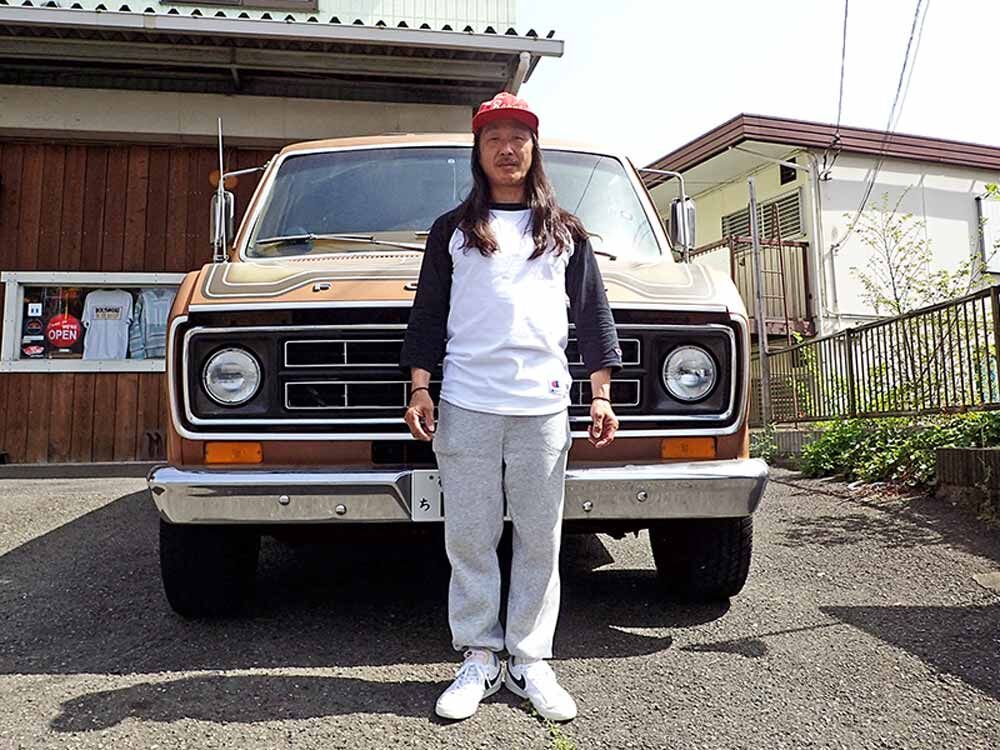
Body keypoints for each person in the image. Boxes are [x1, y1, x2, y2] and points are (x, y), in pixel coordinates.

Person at [399, 91, 622, 722]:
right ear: (477, 150)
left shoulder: (564, 232)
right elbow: (428, 315)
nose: (506, 148)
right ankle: (478, 655)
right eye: (493, 137)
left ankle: (529, 659)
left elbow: (593, 316)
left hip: (542, 407)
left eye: (517, 137)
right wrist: (420, 387)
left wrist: (600, 395)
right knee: (470, 537)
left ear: (533, 148)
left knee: (539, 537)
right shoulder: (452, 231)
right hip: (466, 403)